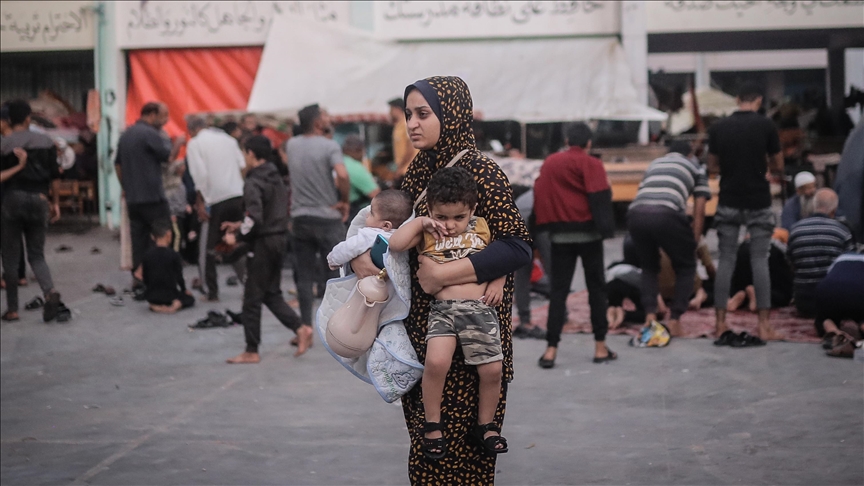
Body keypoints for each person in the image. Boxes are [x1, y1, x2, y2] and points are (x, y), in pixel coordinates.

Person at [348, 77, 531, 484]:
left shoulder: (481, 171)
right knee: (429, 454)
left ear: (452, 115)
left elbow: (517, 246)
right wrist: (363, 254)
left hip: (473, 344)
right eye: (409, 114)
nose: (412, 123)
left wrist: (440, 275)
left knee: (465, 459)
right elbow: (391, 231)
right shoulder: (418, 173)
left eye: (423, 114)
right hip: (426, 340)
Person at [389, 167, 510, 459]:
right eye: (442, 216)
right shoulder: (426, 231)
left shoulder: (481, 227)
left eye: (459, 217)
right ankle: (433, 424)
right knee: (435, 363)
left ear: (472, 210)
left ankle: (487, 425)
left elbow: (501, 259)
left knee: (493, 370)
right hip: (443, 311)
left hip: (479, 310)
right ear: (431, 209)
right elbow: (395, 244)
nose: (451, 225)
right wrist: (421, 221)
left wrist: (498, 281)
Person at [222, 136, 313, 364]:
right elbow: (266, 212)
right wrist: (241, 224)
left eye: (245, 153)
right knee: (270, 293)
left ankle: (251, 350)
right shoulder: (275, 177)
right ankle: (300, 328)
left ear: (251, 153)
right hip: (279, 239)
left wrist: (237, 235)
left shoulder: (253, 181)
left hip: (263, 243)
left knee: (252, 297)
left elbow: (254, 216)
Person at [533, 122, 616, 367]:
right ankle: (600, 347)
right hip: (590, 237)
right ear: (588, 143)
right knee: (597, 291)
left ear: (567, 140)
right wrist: (606, 230)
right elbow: (600, 197)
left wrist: (541, 226)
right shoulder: (592, 164)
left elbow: (541, 192)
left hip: (560, 237)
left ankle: (550, 349)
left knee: (558, 293)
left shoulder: (551, 162)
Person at [708, 82, 784, 341]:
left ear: (737, 99)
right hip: (758, 200)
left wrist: (728, 170)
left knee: (726, 260)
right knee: (759, 260)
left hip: (728, 199)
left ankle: (719, 324)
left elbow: (712, 165)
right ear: (759, 101)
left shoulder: (719, 127)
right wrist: (769, 171)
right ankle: (764, 326)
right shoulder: (766, 125)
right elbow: (778, 163)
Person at [627, 140, 711, 337]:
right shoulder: (696, 167)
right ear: (690, 154)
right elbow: (699, 210)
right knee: (686, 266)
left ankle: (650, 317)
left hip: (635, 214)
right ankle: (674, 320)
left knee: (649, 267)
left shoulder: (655, 164)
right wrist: (694, 242)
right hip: (667, 214)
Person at [285, 104, 350, 329]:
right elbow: (342, 174)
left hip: (301, 218)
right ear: (317, 123)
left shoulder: (291, 145)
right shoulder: (329, 146)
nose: (327, 118)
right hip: (327, 217)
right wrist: (344, 200)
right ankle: (339, 326)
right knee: (339, 273)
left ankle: (305, 325)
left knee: (303, 276)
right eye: (323, 116)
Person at [0, 99, 64, 322]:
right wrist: (54, 202)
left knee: (10, 257)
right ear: (29, 118)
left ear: (9, 120)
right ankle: (50, 292)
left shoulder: (4, 144)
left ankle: (13, 309)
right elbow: (55, 176)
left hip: (12, 200)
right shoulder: (46, 141)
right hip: (39, 199)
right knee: (36, 254)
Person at [115, 101, 184, 287]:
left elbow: (118, 165)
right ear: (152, 114)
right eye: (164, 115)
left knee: (138, 241)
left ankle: (139, 280)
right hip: (153, 197)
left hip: (134, 199)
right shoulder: (150, 134)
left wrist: (126, 187)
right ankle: (158, 278)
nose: (166, 120)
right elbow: (168, 158)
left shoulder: (126, 135)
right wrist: (178, 143)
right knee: (163, 236)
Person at [185, 116, 247, 302]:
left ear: (192, 130)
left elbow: (200, 175)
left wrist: (201, 201)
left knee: (208, 248)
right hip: (237, 194)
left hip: (216, 199)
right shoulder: (228, 139)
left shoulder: (195, 144)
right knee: (236, 241)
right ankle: (249, 284)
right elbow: (242, 165)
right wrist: (237, 183)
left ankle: (210, 290)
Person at [787, 188, 854, 317]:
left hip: (804, 302)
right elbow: (849, 269)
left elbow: (791, 264)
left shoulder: (795, 230)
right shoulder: (842, 232)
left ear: (813, 206)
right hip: (834, 302)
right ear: (834, 211)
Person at [326, 190, 411, 270]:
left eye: (371, 213)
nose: (366, 215)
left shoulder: (370, 234)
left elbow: (349, 247)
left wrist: (332, 259)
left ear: (386, 225)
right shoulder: (407, 237)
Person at [512, 187, 550, 339]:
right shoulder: (551, 191)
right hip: (536, 222)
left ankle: (524, 320)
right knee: (554, 270)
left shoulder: (528, 195)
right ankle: (562, 318)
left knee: (521, 275)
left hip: (518, 223)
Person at [136, 222, 195, 314]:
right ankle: (176, 305)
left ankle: (155, 306)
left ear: (153, 237)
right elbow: (179, 276)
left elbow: (145, 277)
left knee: (152, 297)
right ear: (168, 234)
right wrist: (184, 290)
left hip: (152, 295)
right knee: (190, 299)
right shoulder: (174, 255)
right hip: (170, 295)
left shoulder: (147, 255)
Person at [726, 231, 793, 312]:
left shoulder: (749, 236)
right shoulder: (783, 235)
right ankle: (760, 297)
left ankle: (738, 295)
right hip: (769, 252)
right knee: (783, 293)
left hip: (744, 249)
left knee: (740, 282)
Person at [814, 253, 864, 348]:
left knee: (824, 317)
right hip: (859, 292)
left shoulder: (841, 258)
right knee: (860, 313)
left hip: (827, 289)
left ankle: (833, 331)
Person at [341, 134, 381, 222]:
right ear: (357, 150)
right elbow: (375, 194)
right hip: (351, 212)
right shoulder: (354, 167)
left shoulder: (338, 161)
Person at [389, 97, 418, 183]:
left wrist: (399, 168)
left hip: (407, 170)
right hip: (403, 169)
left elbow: (410, 150)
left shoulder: (406, 124)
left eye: (391, 109)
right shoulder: (398, 126)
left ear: (397, 109)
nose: (389, 113)